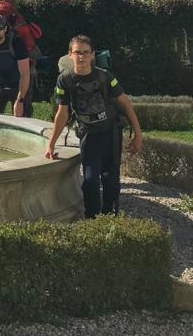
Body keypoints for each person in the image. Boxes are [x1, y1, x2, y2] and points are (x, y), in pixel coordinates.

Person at [45, 34, 143, 218]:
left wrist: (138, 135)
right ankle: (92, 219)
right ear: (70, 54)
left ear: (92, 55)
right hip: (89, 134)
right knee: (90, 180)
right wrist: (51, 144)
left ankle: (110, 217)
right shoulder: (65, 80)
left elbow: (125, 103)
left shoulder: (104, 76)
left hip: (111, 132)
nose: (81, 56)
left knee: (110, 179)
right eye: (77, 52)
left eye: (85, 52)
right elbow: (62, 113)